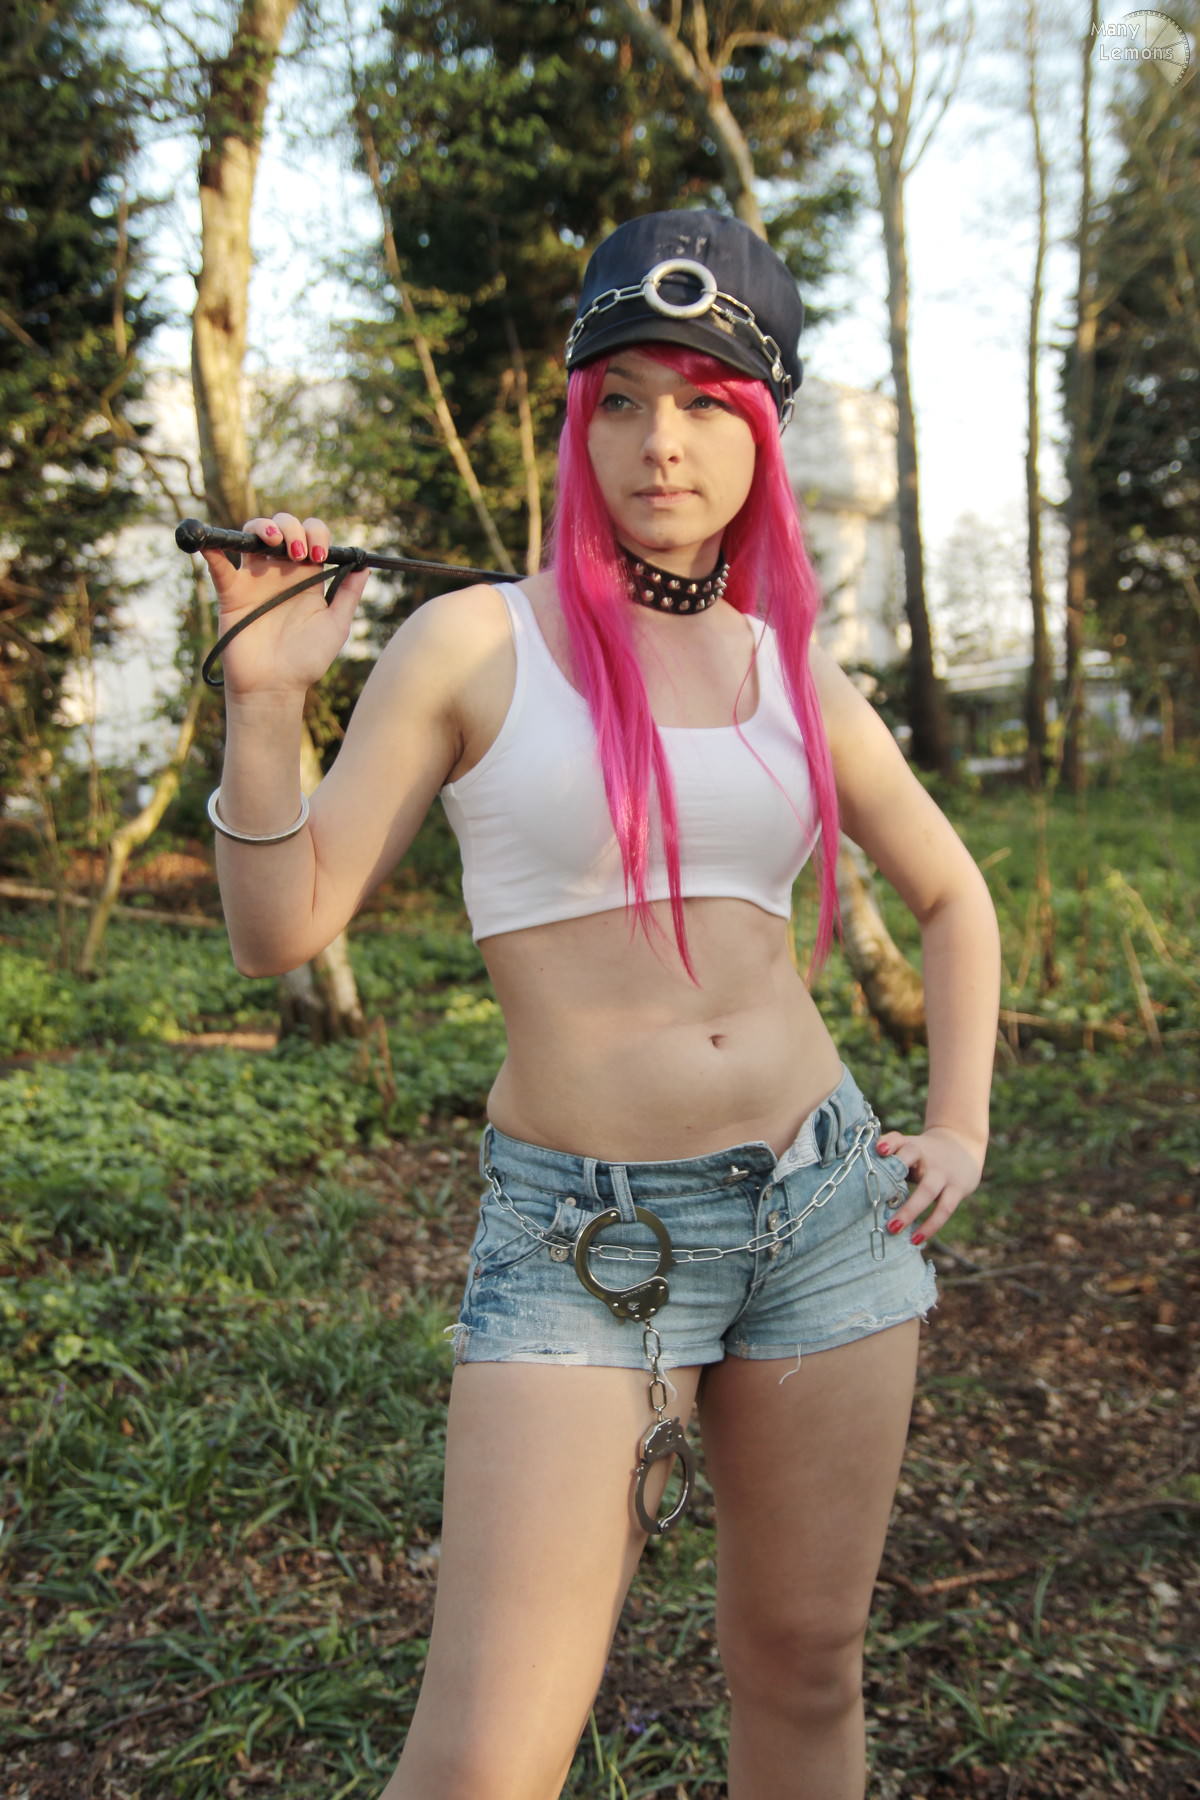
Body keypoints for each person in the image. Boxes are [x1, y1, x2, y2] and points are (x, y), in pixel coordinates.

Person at [202, 210, 1000, 1800]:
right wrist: (267, 697)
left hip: (827, 1211)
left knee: (808, 1665)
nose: (660, 442)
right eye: (622, 399)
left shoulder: (791, 669)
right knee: (485, 1761)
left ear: (763, 432)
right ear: (579, 419)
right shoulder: (473, 640)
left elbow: (954, 896)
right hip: (585, 1238)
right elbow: (279, 930)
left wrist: (962, 1123)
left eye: (705, 402)